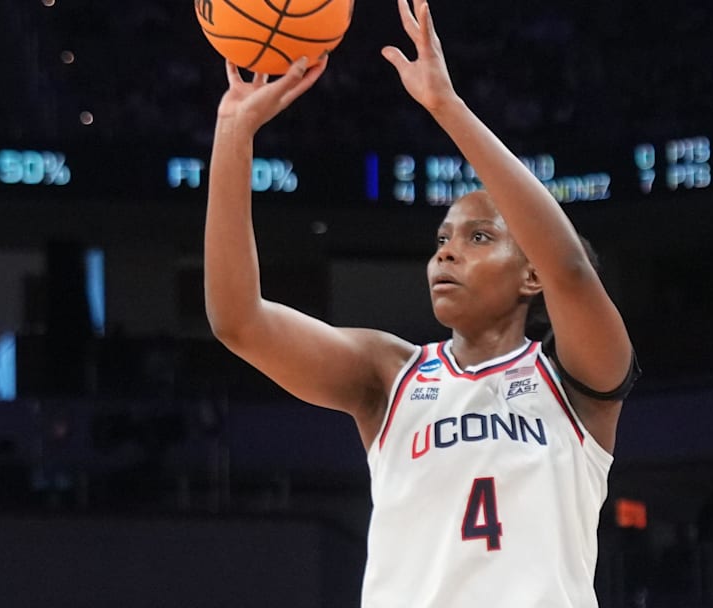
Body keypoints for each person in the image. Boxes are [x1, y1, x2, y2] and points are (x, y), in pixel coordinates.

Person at [204, 0, 639, 604]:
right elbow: (237, 319)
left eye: (478, 238)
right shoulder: (388, 375)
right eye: (442, 240)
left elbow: (569, 268)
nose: (448, 253)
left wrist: (447, 107)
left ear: (531, 276)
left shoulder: (578, 386)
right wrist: (233, 133)